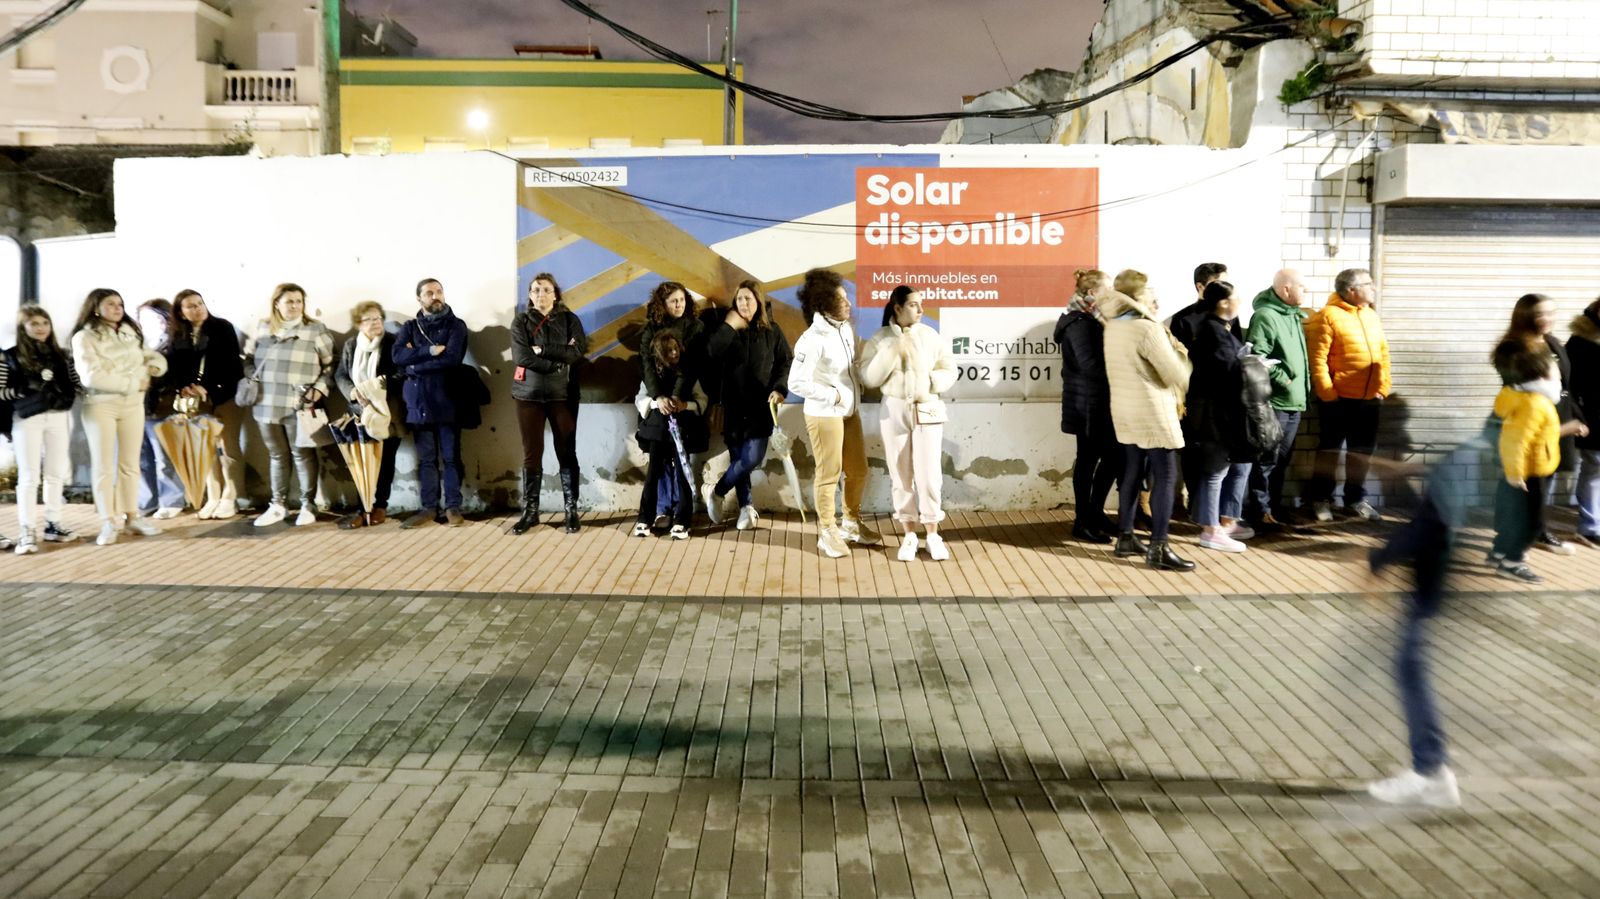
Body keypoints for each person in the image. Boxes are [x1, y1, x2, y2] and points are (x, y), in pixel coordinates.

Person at [1365, 436, 1482, 809]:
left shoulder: (1491, 435)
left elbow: (1427, 526)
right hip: (1432, 591)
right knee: (1410, 671)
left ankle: (1431, 771)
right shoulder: (1476, 448)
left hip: (1429, 594)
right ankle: (1433, 772)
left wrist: (1379, 559)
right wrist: (1410, 469)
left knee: (1411, 673)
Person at [1488, 299, 1590, 581]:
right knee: (1524, 497)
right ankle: (1512, 556)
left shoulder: (1552, 343)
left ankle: (1510, 546)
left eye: (1552, 312)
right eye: (1540, 313)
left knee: (1537, 490)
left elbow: (1569, 387)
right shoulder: (1515, 351)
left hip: (1552, 423)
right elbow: (1517, 439)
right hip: (1535, 426)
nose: (1548, 318)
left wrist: (1574, 419)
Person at [1101, 277, 1195, 571]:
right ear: (1137, 301)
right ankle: (1159, 547)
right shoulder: (1148, 329)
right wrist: (1183, 358)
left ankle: (1126, 536)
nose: (1157, 304)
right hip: (1153, 411)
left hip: (1125, 409)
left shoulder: (1114, 327)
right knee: (1165, 475)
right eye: (1151, 299)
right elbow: (1173, 374)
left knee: (1131, 471)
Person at [859, 285, 958, 562]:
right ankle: (909, 534)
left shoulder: (930, 336)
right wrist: (892, 351)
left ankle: (933, 534)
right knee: (900, 475)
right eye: (914, 305)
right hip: (894, 409)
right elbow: (869, 377)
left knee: (929, 475)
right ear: (898, 308)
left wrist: (932, 382)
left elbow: (949, 368)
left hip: (927, 408)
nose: (921, 310)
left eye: (920, 304)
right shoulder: (880, 338)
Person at [789, 268, 879, 558]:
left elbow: (851, 368)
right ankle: (827, 531)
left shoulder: (846, 331)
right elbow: (796, 382)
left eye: (846, 297)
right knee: (829, 474)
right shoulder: (811, 339)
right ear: (824, 304)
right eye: (841, 300)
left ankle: (851, 523)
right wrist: (834, 395)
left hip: (848, 412)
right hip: (824, 413)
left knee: (859, 470)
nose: (848, 303)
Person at [71, 288, 168, 546]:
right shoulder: (84, 337)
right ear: (95, 307)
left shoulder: (129, 332)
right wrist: (134, 379)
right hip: (101, 404)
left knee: (130, 463)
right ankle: (107, 520)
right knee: (104, 466)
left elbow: (151, 357)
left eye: (120, 304)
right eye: (111, 304)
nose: (117, 308)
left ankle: (132, 516)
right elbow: (92, 376)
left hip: (133, 404)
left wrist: (154, 367)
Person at [243, 282, 334, 528]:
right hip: (266, 403)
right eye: (289, 301)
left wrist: (320, 389)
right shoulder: (262, 328)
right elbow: (248, 360)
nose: (294, 306)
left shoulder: (315, 329)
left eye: (299, 301)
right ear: (276, 304)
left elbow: (330, 366)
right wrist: (255, 378)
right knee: (276, 454)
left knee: (303, 453)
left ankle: (308, 504)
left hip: (302, 404)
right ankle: (278, 505)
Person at [702, 280, 791, 530]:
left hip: (760, 408)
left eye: (748, 299)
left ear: (758, 302)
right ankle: (746, 508)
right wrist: (729, 326)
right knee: (738, 458)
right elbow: (710, 352)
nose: (743, 303)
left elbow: (785, 361)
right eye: (739, 299)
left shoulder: (772, 330)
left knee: (752, 457)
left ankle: (717, 492)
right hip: (732, 406)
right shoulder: (727, 330)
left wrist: (779, 388)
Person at [1306, 267, 1390, 522]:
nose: (1374, 288)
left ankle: (1355, 499)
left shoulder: (1370, 315)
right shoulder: (1328, 316)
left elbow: (1383, 353)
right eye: (1369, 284)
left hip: (1369, 399)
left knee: (1362, 452)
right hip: (1338, 400)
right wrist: (1328, 394)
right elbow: (1318, 360)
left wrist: (1383, 387)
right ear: (1352, 290)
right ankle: (1321, 499)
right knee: (1329, 451)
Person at [510, 272, 588, 534]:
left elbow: (576, 352)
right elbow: (521, 356)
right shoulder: (520, 321)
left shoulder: (569, 319)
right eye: (535, 290)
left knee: (567, 451)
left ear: (555, 293)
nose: (540, 294)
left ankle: (571, 510)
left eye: (545, 289)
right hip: (528, 396)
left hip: (562, 396)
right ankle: (530, 512)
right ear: (530, 296)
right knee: (532, 453)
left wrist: (542, 350)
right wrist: (557, 363)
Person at [2, 305, 82, 553]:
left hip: (58, 416)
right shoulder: (10, 356)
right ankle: (27, 529)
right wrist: (25, 390)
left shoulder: (62, 354)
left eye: (44, 323)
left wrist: (66, 387)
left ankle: (53, 522)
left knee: (55, 472)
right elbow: (1, 391)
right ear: (23, 328)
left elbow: (77, 383)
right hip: (28, 417)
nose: (40, 328)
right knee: (28, 475)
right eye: (34, 324)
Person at [392, 278, 469, 528]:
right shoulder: (410, 326)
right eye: (429, 293)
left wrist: (413, 366)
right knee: (426, 459)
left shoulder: (457, 326)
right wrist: (429, 351)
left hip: (448, 399)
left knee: (450, 457)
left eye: (439, 291)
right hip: (418, 402)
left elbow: (452, 359)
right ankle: (428, 508)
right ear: (419, 299)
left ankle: (453, 507)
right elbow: (397, 356)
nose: (435, 296)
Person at [1187, 281, 1255, 553]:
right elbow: (1227, 371)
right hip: (1215, 414)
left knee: (1217, 470)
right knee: (1215, 471)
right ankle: (1211, 530)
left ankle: (1211, 524)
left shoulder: (1213, 329)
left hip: (1214, 411)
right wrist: (1249, 364)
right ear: (1224, 303)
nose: (1239, 302)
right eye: (1236, 297)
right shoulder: (1213, 331)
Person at [166, 289, 246, 519]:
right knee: (205, 449)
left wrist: (208, 387)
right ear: (181, 312)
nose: (197, 309)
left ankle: (231, 497)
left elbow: (231, 364)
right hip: (194, 401)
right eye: (190, 306)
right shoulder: (178, 334)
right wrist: (184, 386)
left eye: (200, 303)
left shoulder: (222, 327)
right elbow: (173, 365)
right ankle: (213, 495)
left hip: (224, 396)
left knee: (229, 448)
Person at [1055, 269, 1121, 543]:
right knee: (1089, 460)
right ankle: (1084, 520)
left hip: (1095, 403)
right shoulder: (1079, 323)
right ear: (1092, 293)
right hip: (1088, 405)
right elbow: (1090, 366)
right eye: (1108, 290)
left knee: (1106, 458)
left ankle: (1094, 513)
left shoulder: (1091, 319)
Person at [1244, 269, 1309, 529]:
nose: (1306, 291)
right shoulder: (1266, 316)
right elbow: (1257, 357)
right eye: (1302, 287)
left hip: (1294, 402)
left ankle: (1275, 509)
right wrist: (1284, 379)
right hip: (1276, 402)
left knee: (1281, 461)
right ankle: (1260, 511)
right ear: (1285, 290)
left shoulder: (1292, 315)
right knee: (1267, 461)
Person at [637, 281, 702, 527]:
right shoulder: (650, 329)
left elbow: (690, 367)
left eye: (682, 300)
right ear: (662, 304)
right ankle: (659, 511)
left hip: (682, 399)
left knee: (681, 459)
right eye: (673, 301)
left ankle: (681, 514)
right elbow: (645, 364)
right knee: (657, 462)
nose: (679, 304)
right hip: (657, 400)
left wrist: (675, 398)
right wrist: (657, 397)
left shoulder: (695, 327)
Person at [335, 300, 405, 528]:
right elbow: (341, 375)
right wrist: (353, 392)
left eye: (378, 318)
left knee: (385, 462)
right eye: (369, 319)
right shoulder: (350, 345)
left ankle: (380, 506)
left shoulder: (394, 342)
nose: (375, 323)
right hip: (358, 413)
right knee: (360, 462)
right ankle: (361, 507)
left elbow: (401, 373)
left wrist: (372, 389)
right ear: (358, 323)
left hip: (388, 414)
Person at [632, 333, 708, 540]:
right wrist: (657, 403)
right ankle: (644, 519)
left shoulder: (689, 373)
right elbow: (640, 399)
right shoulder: (651, 376)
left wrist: (686, 406)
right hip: (658, 432)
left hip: (682, 431)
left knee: (683, 474)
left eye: (676, 348)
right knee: (653, 475)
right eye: (669, 350)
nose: (674, 353)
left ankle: (683, 521)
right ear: (659, 354)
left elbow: (702, 399)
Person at [137, 298, 186, 519]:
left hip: (163, 407)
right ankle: (146, 501)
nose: (152, 323)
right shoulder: (135, 343)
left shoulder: (175, 343)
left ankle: (173, 499)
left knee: (164, 457)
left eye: (157, 317)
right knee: (141, 458)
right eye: (145, 318)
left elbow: (175, 375)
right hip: (137, 407)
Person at [1568, 298, 1600, 548]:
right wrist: (1579, 416)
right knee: (1594, 469)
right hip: (1593, 417)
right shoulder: (1580, 342)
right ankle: (1589, 527)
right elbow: (1569, 385)